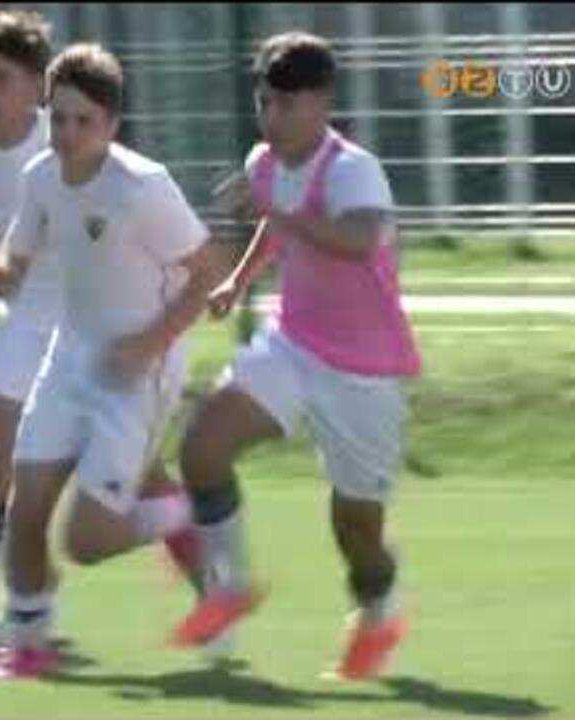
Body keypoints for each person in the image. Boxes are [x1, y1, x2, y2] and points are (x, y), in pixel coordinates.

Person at [0, 11, 200, 656]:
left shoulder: (84, 150)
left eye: (3, 78)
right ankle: (25, 610)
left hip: (88, 327)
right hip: (38, 322)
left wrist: (151, 337)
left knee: (111, 493)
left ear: (35, 87)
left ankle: (196, 560)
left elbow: (175, 258)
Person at [168, 31, 421, 682]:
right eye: (265, 102)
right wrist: (238, 281)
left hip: (365, 371)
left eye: (286, 104)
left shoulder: (352, 169)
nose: (272, 117)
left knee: (356, 533)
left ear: (322, 102)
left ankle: (379, 608)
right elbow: (272, 226)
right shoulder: (265, 162)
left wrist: (277, 213)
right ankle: (228, 588)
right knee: (201, 448)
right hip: (294, 345)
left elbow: (359, 239)